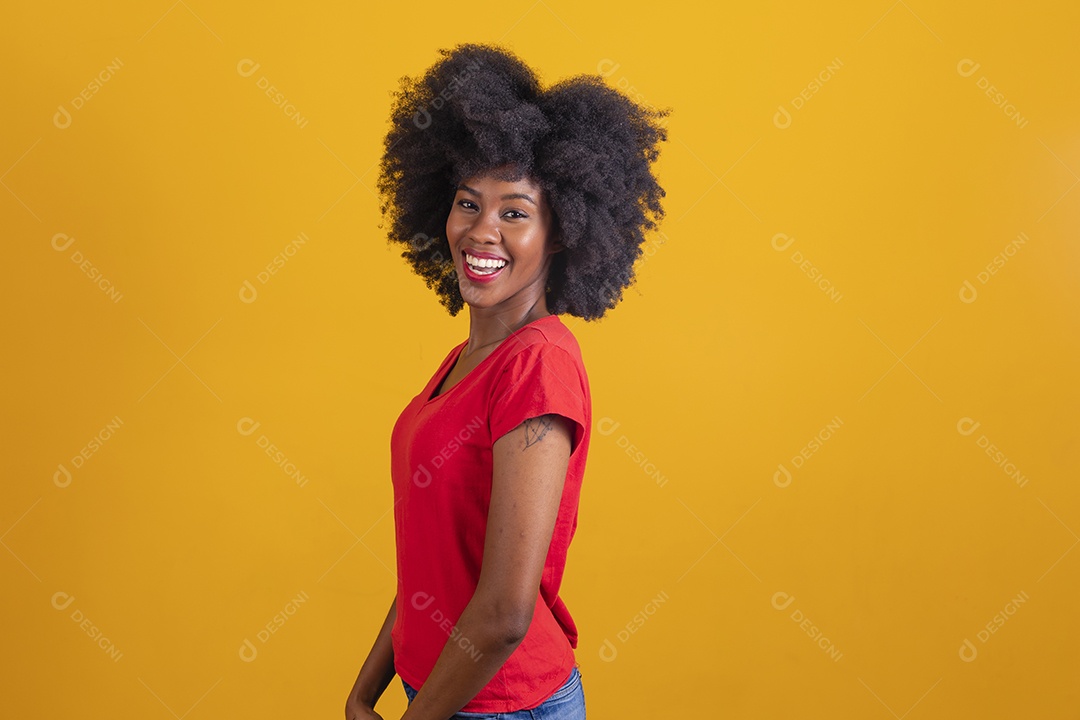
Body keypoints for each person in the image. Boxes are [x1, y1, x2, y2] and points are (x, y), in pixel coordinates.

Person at [345, 43, 668, 720]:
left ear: (561, 233)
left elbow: (504, 613)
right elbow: (434, 564)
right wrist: (367, 687)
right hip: (436, 695)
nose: (481, 231)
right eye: (468, 203)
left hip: (501, 706)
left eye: (514, 212)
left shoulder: (536, 365)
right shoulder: (464, 363)